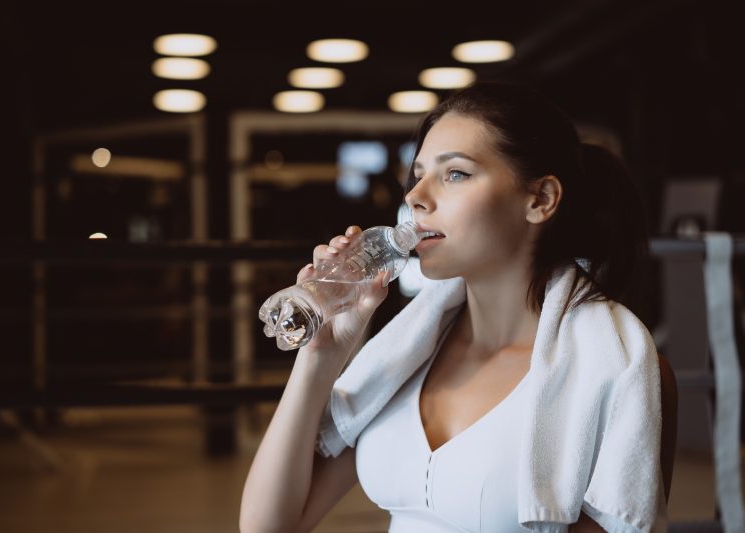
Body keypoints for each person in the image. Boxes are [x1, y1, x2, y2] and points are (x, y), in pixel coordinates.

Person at [240, 82, 665, 532]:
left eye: (455, 173)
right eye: (417, 173)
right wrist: (321, 357)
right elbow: (268, 527)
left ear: (539, 200)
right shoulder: (406, 356)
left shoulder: (604, 364)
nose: (415, 196)